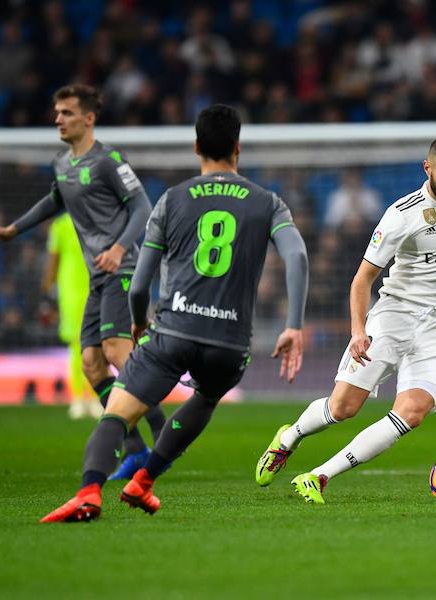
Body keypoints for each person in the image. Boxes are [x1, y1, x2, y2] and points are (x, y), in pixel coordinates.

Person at [39, 103, 309, 523]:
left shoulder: (171, 200)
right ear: (238, 148)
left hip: (174, 330)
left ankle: (89, 491)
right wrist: (293, 325)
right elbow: (297, 256)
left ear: (197, 146)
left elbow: (142, 281)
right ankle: (144, 481)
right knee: (205, 396)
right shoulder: (268, 203)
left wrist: (140, 321)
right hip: (229, 342)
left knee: (117, 413)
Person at [255, 136, 436, 504]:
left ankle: (318, 476)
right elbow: (362, 279)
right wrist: (358, 332)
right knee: (343, 408)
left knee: (412, 411)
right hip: (394, 317)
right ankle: (290, 436)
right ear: (427, 169)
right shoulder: (402, 215)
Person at [0, 84, 167, 476]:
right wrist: (13, 230)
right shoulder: (63, 164)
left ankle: (162, 431)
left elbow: (142, 207)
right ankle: (134, 450)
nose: (58, 119)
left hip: (122, 268)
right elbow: (54, 201)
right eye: (56, 112)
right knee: (92, 365)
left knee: (117, 353)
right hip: (99, 276)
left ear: (89, 118)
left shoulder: (108, 160)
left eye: (66, 112)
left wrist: (118, 248)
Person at [41, 213, 99, 419]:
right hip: (71, 293)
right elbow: (53, 261)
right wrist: (47, 295)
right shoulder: (60, 225)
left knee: (98, 344)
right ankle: (77, 397)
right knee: (77, 345)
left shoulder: (99, 220)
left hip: (97, 287)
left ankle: (93, 396)